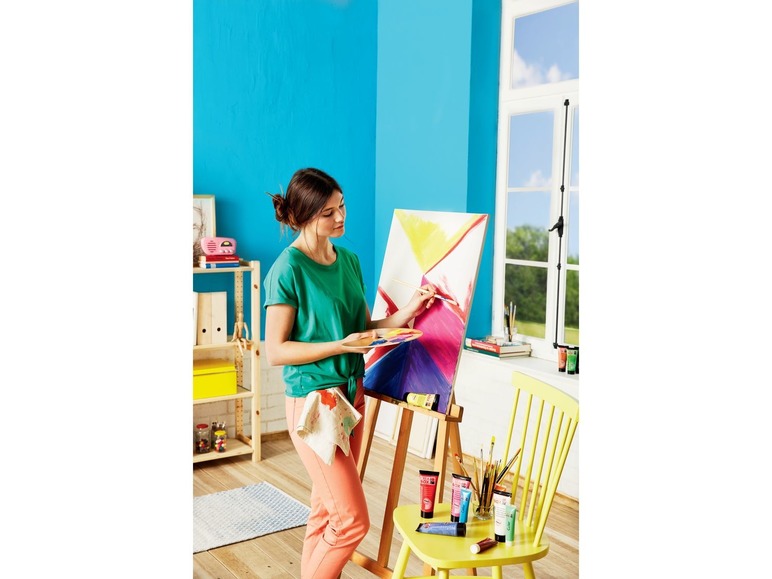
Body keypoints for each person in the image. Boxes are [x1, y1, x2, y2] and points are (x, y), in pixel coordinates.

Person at [263, 167, 437, 579]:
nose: (340, 217)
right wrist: (340, 346)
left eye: (341, 206)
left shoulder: (350, 261)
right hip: (314, 403)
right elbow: (276, 351)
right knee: (353, 521)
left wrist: (406, 312)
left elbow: (362, 330)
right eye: (328, 213)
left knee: (327, 512)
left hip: (352, 396)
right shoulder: (288, 269)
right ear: (302, 216)